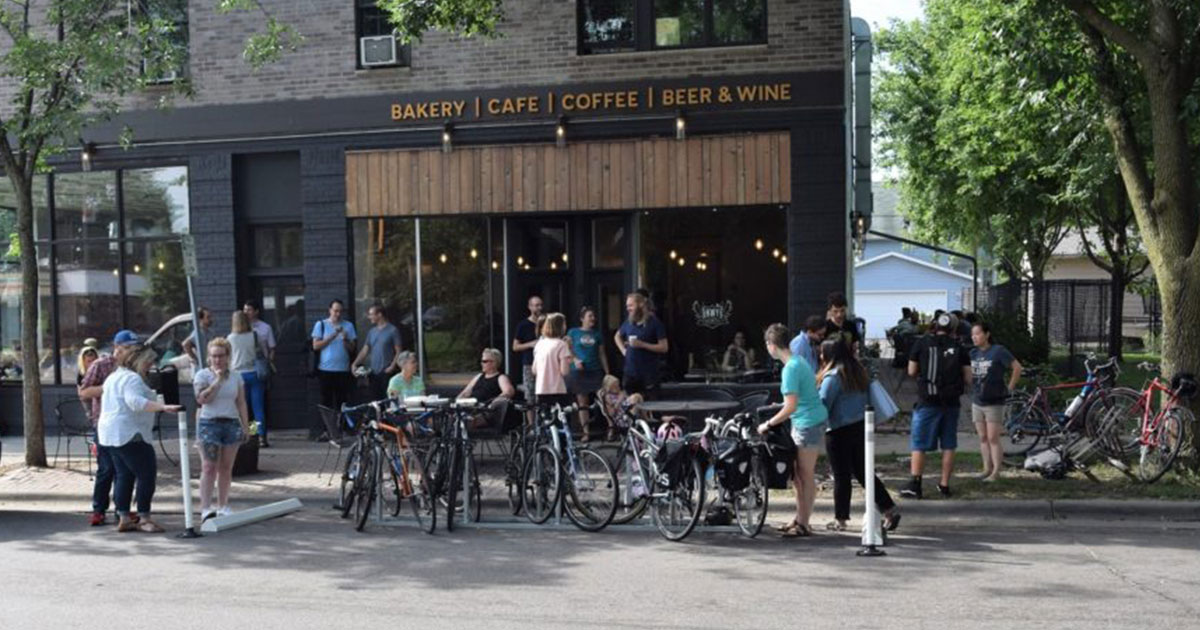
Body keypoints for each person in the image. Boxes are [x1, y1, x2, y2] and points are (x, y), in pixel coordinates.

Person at [96, 331, 183, 533]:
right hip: (130, 434)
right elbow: (135, 403)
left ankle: (124, 516)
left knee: (124, 474)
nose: (150, 366)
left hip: (109, 435)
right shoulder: (133, 379)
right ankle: (144, 517)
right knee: (146, 474)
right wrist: (163, 407)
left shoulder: (113, 377)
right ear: (139, 361)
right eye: (148, 362)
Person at [816, 339, 900, 532]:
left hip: (838, 431)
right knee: (864, 473)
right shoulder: (858, 372)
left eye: (822, 353)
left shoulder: (832, 377)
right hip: (861, 427)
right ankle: (889, 509)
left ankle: (841, 519)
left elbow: (823, 405)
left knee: (841, 476)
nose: (820, 356)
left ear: (830, 355)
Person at [757, 323, 828, 538]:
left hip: (807, 423)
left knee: (805, 475)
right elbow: (796, 399)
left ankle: (804, 523)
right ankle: (800, 519)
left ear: (771, 345)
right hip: (808, 420)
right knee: (798, 476)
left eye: (767, 345)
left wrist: (767, 424)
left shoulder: (790, 368)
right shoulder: (799, 361)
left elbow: (791, 406)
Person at [901, 313, 972, 499]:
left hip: (927, 401)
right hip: (951, 403)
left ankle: (915, 484)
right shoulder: (960, 348)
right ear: (954, 329)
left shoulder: (922, 343)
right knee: (949, 444)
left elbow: (911, 371)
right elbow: (968, 378)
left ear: (934, 326)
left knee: (919, 444)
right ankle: (944, 484)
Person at [193, 337, 252, 522]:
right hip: (209, 423)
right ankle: (205, 508)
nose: (217, 360)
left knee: (226, 467)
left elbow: (241, 402)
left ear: (228, 356)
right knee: (209, 466)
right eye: (213, 356)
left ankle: (223, 504)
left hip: (231, 423)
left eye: (220, 356)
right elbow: (202, 400)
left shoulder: (236, 376)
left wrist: (247, 426)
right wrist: (217, 381)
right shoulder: (203, 375)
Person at [78, 338, 125, 526]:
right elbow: (84, 392)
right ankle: (99, 509)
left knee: (124, 469)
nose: (130, 352)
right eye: (127, 348)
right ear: (117, 347)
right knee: (106, 468)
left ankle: (122, 510)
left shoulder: (133, 366)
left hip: (125, 423)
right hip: (104, 422)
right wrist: (109, 388)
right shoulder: (101, 365)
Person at [970, 322, 1022, 481]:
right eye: (973, 334)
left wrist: (1010, 388)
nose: (975, 337)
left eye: (978, 334)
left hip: (994, 401)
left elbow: (1017, 367)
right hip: (977, 400)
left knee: (993, 437)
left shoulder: (998, 351)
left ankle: (996, 471)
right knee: (983, 437)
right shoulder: (973, 353)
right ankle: (986, 468)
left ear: (987, 334)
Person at [312, 299, 357, 439]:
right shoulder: (321, 325)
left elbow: (353, 349)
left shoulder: (348, 326)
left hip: (342, 370)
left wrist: (344, 339)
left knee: (341, 402)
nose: (338, 314)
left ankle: (341, 429)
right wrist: (332, 336)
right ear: (329, 310)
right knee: (326, 402)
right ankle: (327, 431)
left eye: (340, 311)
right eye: (335, 310)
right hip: (325, 370)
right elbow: (315, 346)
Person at [614, 292, 669, 399]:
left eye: (631, 305)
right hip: (630, 373)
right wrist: (623, 351)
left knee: (651, 406)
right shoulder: (628, 322)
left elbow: (664, 347)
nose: (628, 309)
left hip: (649, 374)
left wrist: (642, 344)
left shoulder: (654, 323)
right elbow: (617, 336)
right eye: (627, 306)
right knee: (630, 406)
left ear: (640, 305)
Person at [567, 307, 610, 440]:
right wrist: (575, 360)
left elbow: (602, 354)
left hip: (595, 370)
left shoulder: (597, 334)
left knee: (604, 398)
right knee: (582, 402)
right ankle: (586, 432)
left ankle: (612, 428)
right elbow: (566, 349)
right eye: (590, 316)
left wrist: (607, 372)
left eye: (593, 316)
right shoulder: (573, 332)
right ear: (582, 318)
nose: (593, 318)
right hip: (579, 372)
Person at [228, 311, 268, 447]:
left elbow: (228, 359)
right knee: (258, 407)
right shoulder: (255, 335)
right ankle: (261, 436)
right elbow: (264, 353)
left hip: (239, 376)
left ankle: (248, 434)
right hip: (255, 374)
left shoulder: (230, 338)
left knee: (244, 407)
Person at [457, 348, 517, 431]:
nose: (482, 364)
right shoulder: (479, 376)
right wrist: (456, 402)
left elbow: (508, 391)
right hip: (470, 409)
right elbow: (466, 392)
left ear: (494, 363)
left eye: (485, 361)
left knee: (459, 423)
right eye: (482, 361)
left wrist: (492, 403)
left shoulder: (501, 377)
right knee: (443, 418)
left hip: (485, 413)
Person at [351, 304, 402, 401]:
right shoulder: (372, 331)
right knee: (375, 400)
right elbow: (365, 350)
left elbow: (398, 351)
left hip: (386, 372)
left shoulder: (392, 330)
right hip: (373, 372)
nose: (369, 317)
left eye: (371, 314)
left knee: (388, 399)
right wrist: (355, 364)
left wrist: (392, 366)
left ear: (379, 315)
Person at [532, 312, 574, 426]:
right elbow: (564, 371)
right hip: (558, 389)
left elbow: (534, 370)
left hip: (541, 389)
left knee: (546, 421)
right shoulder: (561, 345)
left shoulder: (539, 344)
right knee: (562, 421)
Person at [512, 295, 544, 401]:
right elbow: (515, 347)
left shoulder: (546, 323)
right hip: (529, 363)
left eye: (540, 305)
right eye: (536, 305)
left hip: (546, 363)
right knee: (530, 395)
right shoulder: (523, 325)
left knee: (543, 394)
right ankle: (531, 418)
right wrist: (530, 344)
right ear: (530, 307)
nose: (539, 308)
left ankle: (543, 417)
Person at [243, 300, 277, 365]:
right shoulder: (241, 328)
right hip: (245, 363)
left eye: (249, 310)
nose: (246, 312)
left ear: (256, 311)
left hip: (261, 363)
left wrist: (269, 361)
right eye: (245, 310)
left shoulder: (266, 327)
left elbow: (272, 348)